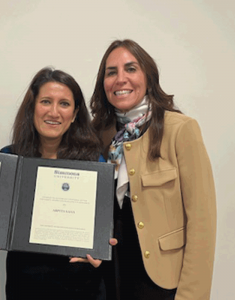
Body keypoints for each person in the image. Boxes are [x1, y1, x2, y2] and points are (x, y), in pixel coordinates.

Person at [90, 39, 217, 300]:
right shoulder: (96, 135)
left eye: (131, 69)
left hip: (161, 284)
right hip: (108, 280)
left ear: (148, 76)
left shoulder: (180, 129)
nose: (120, 79)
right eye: (111, 72)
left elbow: (202, 223)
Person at [2, 67, 106, 299]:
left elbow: (103, 228)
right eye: (46, 101)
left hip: (82, 285)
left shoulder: (95, 163)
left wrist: (102, 247)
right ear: (32, 107)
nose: (54, 112)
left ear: (75, 113)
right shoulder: (10, 159)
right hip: (25, 284)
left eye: (64, 104)